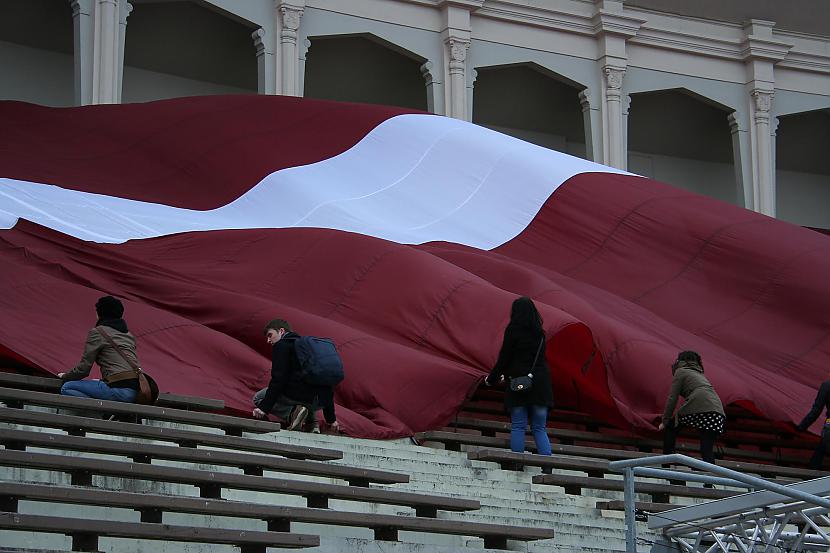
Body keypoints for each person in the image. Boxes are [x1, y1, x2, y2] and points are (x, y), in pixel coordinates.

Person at [485, 296, 553, 456]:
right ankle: (547, 465)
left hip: (518, 383)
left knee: (518, 426)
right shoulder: (540, 334)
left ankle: (517, 463)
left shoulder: (513, 331)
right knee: (539, 428)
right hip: (541, 384)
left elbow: (505, 358)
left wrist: (492, 379)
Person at [252, 319, 340, 433]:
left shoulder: (282, 345)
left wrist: (264, 408)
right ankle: (312, 424)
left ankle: (293, 414)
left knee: (258, 398)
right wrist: (331, 419)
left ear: (281, 331)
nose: (268, 340)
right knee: (308, 385)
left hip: (298, 397)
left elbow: (278, 379)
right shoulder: (309, 347)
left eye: (270, 335)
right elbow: (325, 382)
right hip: (319, 401)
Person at [57, 295, 140, 402]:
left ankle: (100, 414)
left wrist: (65, 376)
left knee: (68, 387)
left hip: (118, 389)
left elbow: (83, 369)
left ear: (100, 314)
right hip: (136, 392)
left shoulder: (98, 332)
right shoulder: (129, 335)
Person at [659, 350, 725, 464]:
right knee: (706, 448)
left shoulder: (681, 371)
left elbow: (672, 398)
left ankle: (667, 463)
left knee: (670, 427)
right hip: (717, 411)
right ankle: (710, 481)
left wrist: (665, 420)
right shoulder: (699, 374)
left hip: (699, 404)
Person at [796, 376, 830, 470]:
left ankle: (811, 476)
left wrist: (801, 427)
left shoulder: (827, 386)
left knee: (821, 450)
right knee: (821, 450)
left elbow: (816, 411)